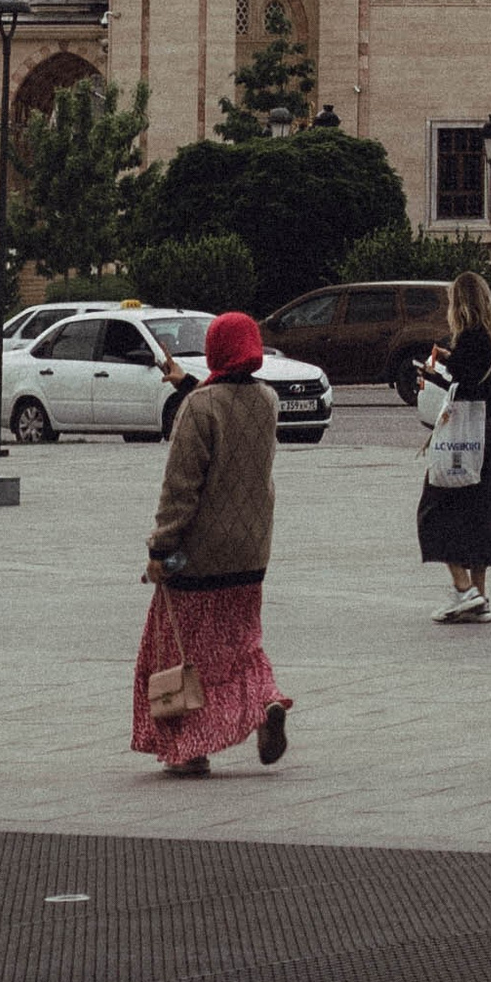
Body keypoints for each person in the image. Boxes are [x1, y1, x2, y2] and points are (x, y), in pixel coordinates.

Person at [132, 310, 291, 776]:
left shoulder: (198, 410)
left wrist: (160, 548)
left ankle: (189, 747)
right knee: (244, 644)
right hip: (250, 552)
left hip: (199, 557)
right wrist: (187, 383)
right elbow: (228, 405)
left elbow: (180, 488)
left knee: (185, 654)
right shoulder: (267, 401)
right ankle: (265, 704)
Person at [416, 268, 491, 621]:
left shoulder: (467, 339)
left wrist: (431, 373)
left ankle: (462, 586)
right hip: (489, 429)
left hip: (461, 434)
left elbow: (462, 384)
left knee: (437, 505)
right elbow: (477, 378)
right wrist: (450, 360)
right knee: (482, 511)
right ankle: (478, 595)